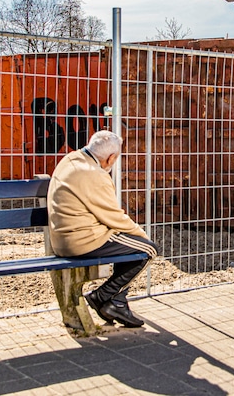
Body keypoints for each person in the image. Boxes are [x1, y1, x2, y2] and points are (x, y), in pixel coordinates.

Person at [47, 130, 157, 328]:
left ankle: (117, 302)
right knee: (148, 250)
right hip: (82, 241)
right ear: (111, 157)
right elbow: (114, 217)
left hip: (65, 238)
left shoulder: (71, 159)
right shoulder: (95, 175)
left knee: (129, 245)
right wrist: (143, 236)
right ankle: (103, 296)